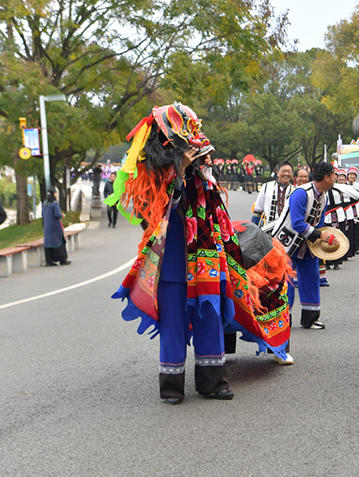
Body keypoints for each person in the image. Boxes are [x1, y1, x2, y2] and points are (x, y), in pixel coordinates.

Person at [107, 103, 292, 405]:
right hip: (172, 268)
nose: (199, 156)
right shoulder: (154, 180)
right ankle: (172, 387)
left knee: (210, 320)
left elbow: (219, 220)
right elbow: (155, 218)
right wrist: (177, 172)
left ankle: (213, 382)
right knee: (174, 326)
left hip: (207, 265)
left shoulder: (205, 178)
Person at [269, 162, 338, 329]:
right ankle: (284, 318)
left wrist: (322, 236)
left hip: (307, 242)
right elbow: (298, 223)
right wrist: (320, 234)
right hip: (286, 243)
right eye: (334, 175)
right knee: (287, 281)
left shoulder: (324, 195)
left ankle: (310, 318)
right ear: (327, 177)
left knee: (311, 277)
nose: (336, 178)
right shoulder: (301, 193)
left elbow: (319, 221)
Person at [251, 161, 294, 227]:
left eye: (289, 172)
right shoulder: (266, 187)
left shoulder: (295, 190)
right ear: (278, 173)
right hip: (267, 228)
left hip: (287, 231)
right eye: (283, 171)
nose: (286, 174)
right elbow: (257, 211)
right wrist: (253, 230)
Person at [42, 187, 71, 266]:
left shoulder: (44, 203)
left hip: (47, 226)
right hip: (55, 226)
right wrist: (62, 215)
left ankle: (49, 260)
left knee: (49, 243)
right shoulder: (55, 203)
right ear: (54, 194)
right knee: (59, 241)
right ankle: (62, 259)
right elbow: (57, 214)